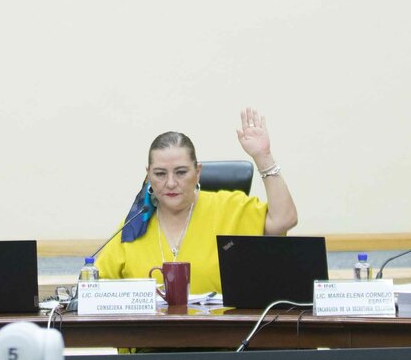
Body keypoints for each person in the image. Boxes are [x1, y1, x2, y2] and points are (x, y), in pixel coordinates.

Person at [95, 109, 298, 296]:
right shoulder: (135, 224)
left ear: (197, 172)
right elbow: (96, 287)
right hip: (149, 325)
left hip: (221, 324)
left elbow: (284, 220)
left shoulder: (228, 208)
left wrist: (264, 157)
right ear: (148, 175)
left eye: (181, 172)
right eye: (160, 174)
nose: (171, 183)